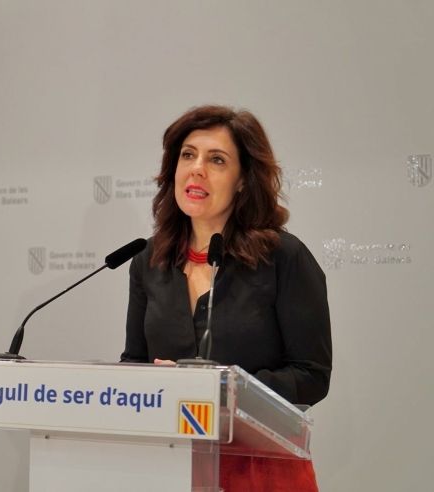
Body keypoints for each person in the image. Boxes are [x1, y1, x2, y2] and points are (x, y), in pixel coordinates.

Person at [120, 105, 332, 491]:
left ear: (242, 181)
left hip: (261, 471)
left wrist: (221, 390)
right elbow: (134, 363)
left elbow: (311, 376)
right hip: (171, 467)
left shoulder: (283, 257)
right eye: (188, 155)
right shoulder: (148, 260)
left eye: (216, 160)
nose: (197, 169)